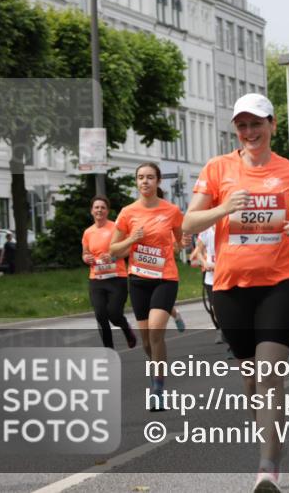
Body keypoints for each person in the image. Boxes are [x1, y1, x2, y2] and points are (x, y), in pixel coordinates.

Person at [184, 93, 289, 492]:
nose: (249, 132)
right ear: (236, 129)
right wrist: (224, 207)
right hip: (230, 287)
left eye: (256, 123)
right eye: (242, 125)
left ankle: (267, 467)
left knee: (268, 375)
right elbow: (189, 222)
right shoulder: (217, 169)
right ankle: (271, 438)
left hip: (281, 282)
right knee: (251, 379)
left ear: (272, 125)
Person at [110, 162, 185, 411]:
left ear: (158, 181)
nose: (145, 181)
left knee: (155, 332)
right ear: (136, 182)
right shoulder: (127, 212)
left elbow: (181, 238)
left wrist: (178, 245)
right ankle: (156, 373)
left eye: (150, 177)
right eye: (140, 177)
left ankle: (158, 389)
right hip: (139, 280)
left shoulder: (172, 210)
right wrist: (132, 239)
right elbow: (113, 250)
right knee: (146, 342)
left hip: (165, 278)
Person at [82, 196, 136, 350]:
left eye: (103, 207)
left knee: (114, 314)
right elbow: (84, 253)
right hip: (96, 279)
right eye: (96, 207)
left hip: (116, 278)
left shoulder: (115, 228)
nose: (99, 210)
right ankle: (109, 350)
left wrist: (113, 256)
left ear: (107, 211)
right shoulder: (88, 232)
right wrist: (87, 258)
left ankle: (126, 328)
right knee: (100, 315)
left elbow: (127, 249)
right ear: (92, 211)